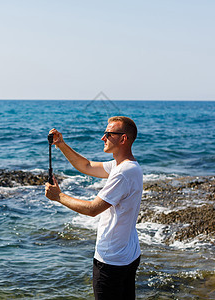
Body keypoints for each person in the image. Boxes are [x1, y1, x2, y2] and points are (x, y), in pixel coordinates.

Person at [45, 116, 143, 300]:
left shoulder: (123, 172)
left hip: (111, 259)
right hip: (129, 254)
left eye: (108, 134)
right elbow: (87, 165)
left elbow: (92, 209)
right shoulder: (126, 166)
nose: (103, 138)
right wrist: (61, 144)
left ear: (123, 139)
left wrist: (58, 196)